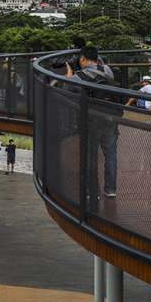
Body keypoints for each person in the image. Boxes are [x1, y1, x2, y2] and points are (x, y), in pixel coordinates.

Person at [65, 46, 119, 197]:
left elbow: (66, 90)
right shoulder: (108, 70)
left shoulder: (79, 77)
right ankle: (110, 190)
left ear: (82, 59)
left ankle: (91, 191)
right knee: (111, 155)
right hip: (110, 117)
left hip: (91, 120)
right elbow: (99, 66)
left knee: (90, 156)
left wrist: (69, 73)